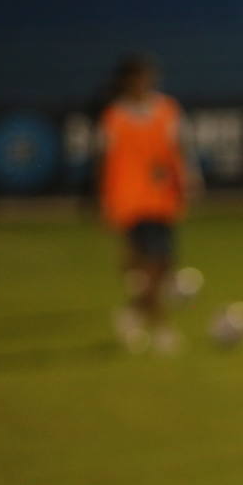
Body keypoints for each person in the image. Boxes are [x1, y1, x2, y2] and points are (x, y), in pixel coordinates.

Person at [98, 54, 201, 354]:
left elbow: (180, 147)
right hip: (130, 202)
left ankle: (131, 313)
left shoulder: (167, 109)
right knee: (150, 268)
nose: (145, 83)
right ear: (126, 81)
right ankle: (161, 330)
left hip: (162, 199)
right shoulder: (114, 116)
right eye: (140, 77)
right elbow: (105, 160)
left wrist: (190, 179)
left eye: (149, 77)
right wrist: (105, 200)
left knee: (164, 267)